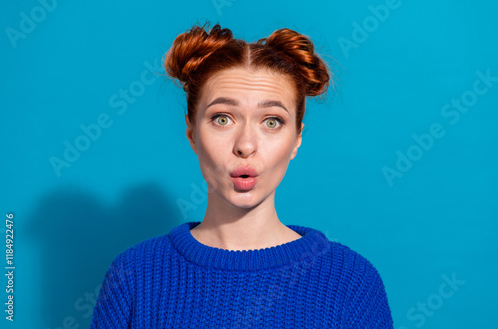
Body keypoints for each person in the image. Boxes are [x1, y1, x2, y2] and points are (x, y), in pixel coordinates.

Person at [89, 21, 394, 328]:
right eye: (223, 119)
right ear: (191, 132)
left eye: (272, 122)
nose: (246, 145)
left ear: (296, 140)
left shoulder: (351, 282)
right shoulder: (134, 275)